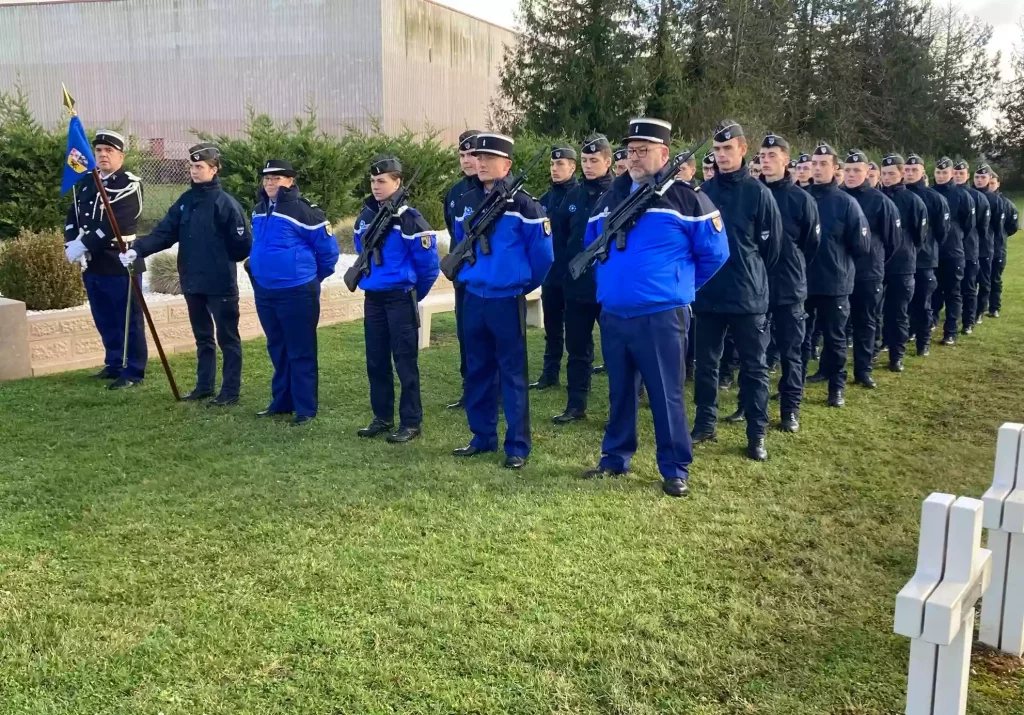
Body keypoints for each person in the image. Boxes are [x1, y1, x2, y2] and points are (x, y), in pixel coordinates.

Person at [581, 117, 728, 496]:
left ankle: (675, 467)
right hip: (615, 315)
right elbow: (592, 247)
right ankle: (615, 457)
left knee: (666, 394)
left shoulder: (686, 198)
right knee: (620, 392)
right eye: (631, 151)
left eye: (643, 151)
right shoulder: (609, 198)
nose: (634, 157)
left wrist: (677, 287)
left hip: (661, 316)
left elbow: (715, 253)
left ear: (664, 154)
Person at [450, 133, 553, 470]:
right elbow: (459, 245)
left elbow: (543, 257)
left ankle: (517, 446)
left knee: (512, 374)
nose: (480, 163)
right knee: (477, 370)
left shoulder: (525, 205)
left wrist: (519, 284)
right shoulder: (466, 201)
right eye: (477, 157)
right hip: (473, 298)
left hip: (506, 300)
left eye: (488, 158)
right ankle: (482, 436)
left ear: (506, 165)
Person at [121, 143, 251, 405]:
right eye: (192, 166)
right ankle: (204, 386)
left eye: (200, 166)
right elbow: (165, 232)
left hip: (219, 283)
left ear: (214, 169)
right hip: (192, 281)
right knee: (203, 338)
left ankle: (230, 391)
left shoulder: (226, 204)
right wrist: (138, 250)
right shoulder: (186, 201)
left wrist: (217, 257)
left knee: (227, 339)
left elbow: (242, 245)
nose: (194, 171)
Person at [692, 121, 781, 461]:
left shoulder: (759, 193)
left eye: (728, 149)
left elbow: (772, 250)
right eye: (717, 150)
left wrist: (751, 275)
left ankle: (756, 433)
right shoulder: (703, 193)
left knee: (754, 368)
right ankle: (705, 423)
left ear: (743, 150)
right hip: (710, 294)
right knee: (706, 365)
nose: (721, 155)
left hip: (747, 296)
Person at [353, 155, 439, 443]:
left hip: (400, 297)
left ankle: (411, 422)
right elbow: (361, 251)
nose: (376, 186)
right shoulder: (365, 217)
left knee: (405, 362)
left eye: (382, 181)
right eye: (373, 181)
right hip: (374, 298)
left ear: (397, 182)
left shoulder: (410, 219)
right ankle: (382, 417)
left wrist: (413, 295)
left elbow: (429, 266)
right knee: (376, 360)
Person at [248, 159, 340, 426]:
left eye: (276, 178)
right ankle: (282, 402)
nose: (270, 183)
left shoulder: (304, 211)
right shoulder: (259, 210)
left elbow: (328, 253)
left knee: (300, 350)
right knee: (277, 347)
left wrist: (310, 277)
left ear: (290, 181)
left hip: (297, 291)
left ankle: (305, 408)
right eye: (267, 178)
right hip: (266, 291)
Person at [63, 129, 147, 389]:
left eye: (109, 151)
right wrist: (71, 241)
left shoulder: (129, 184)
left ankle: (133, 370)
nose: (102, 155)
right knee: (104, 317)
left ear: (121, 155)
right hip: (93, 261)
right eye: (99, 150)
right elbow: (73, 213)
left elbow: (114, 223)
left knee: (128, 319)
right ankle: (114, 363)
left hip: (119, 259)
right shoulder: (89, 181)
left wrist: (84, 244)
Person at [550, 134, 614, 424]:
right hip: (576, 286)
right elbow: (562, 235)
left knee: (616, 350)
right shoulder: (573, 196)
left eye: (594, 160)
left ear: (608, 162)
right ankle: (576, 405)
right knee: (577, 349)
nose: (588, 165)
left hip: (607, 287)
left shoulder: (618, 194)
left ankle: (620, 407)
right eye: (585, 160)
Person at [759, 134, 820, 432]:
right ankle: (750, 405)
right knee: (754, 354)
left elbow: (811, 244)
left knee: (791, 352)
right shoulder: (753, 193)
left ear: (786, 159)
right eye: (762, 156)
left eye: (772, 155)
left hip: (789, 287)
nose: (766, 161)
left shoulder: (801, 199)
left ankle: (790, 408)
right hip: (756, 286)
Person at [803, 144, 870, 408]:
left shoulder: (846, 203)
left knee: (835, 339)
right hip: (803, 282)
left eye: (823, 164)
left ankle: (836, 388)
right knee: (799, 338)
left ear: (834, 168)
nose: (818, 168)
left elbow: (861, 246)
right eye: (814, 164)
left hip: (835, 282)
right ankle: (793, 385)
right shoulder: (801, 197)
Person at [843, 150, 900, 389]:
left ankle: (863, 370)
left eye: (857, 170)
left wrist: (875, 263)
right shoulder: (837, 197)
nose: (851, 174)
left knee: (865, 322)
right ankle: (829, 369)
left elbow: (893, 241)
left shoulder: (881, 202)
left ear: (867, 172)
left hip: (868, 273)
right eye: (847, 170)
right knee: (836, 326)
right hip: (839, 273)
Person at [531, 145, 579, 390]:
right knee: (552, 328)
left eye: (560, 164)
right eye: (552, 164)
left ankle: (577, 378)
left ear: (572, 167)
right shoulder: (545, 199)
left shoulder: (580, 197)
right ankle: (550, 374)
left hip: (574, 276)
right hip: (551, 276)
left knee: (576, 331)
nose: (554, 169)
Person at [442, 130, 483, 410]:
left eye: (473, 154)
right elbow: (453, 231)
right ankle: (469, 389)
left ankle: (494, 391)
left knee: (488, 338)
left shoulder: (494, 190)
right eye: (463, 155)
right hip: (463, 276)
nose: (467, 160)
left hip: (488, 277)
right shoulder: (455, 193)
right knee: (465, 335)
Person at [878, 154, 927, 374]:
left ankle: (896, 355)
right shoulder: (876, 197)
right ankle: (879, 346)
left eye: (891, 173)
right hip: (878, 265)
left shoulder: (913, 201)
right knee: (876, 311)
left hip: (902, 264)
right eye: (884, 173)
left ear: (901, 174)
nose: (887, 177)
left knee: (898, 312)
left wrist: (906, 252)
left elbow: (919, 236)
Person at [904, 154, 949, 357]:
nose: (910, 173)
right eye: (907, 169)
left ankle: (923, 342)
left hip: (924, 259)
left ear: (923, 172)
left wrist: (927, 247)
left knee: (923, 303)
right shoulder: (896, 195)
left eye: (914, 170)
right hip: (901, 260)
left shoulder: (934, 198)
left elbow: (942, 231)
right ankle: (905, 334)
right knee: (901, 304)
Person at [931, 157, 970, 344]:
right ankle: (930, 323)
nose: (940, 176)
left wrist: (955, 238)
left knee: (953, 292)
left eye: (944, 172)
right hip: (932, 251)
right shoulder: (930, 193)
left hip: (953, 251)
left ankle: (951, 331)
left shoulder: (962, 195)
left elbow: (968, 225)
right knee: (933, 291)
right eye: (938, 172)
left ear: (952, 173)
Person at [955, 160, 984, 334]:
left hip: (969, 248)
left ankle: (968, 321)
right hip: (951, 250)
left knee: (969, 286)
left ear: (968, 175)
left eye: (961, 173)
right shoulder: (945, 194)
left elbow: (980, 225)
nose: (958, 176)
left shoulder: (976, 197)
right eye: (956, 173)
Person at [985, 172, 1014, 318]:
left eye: (992, 183)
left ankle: (994, 307)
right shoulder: (979, 199)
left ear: (998, 184)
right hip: (982, 247)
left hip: (997, 247)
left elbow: (1012, 226)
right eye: (988, 183)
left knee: (994, 278)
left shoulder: (1006, 204)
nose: (990, 186)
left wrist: (1000, 236)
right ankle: (978, 307)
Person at [971, 164, 996, 326]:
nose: (979, 180)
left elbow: (999, 226)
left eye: (983, 177)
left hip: (985, 246)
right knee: (969, 281)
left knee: (984, 280)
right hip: (969, 246)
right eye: (977, 177)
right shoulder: (969, 195)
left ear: (989, 179)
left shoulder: (994, 200)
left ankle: (980, 310)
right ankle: (969, 310)